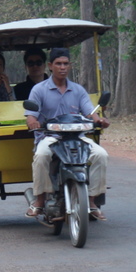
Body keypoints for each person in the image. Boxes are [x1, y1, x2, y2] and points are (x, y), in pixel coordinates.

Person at [25, 48, 108, 220]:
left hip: (77, 138)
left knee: (101, 154)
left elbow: (90, 112)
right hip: (50, 137)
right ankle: (39, 200)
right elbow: (30, 115)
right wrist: (33, 122)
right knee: (41, 156)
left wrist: (99, 120)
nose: (62, 67)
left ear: (70, 66)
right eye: (58, 64)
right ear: (50, 66)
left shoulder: (78, 90)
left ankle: (92, 201)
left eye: (65, 63)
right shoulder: (39, 90)